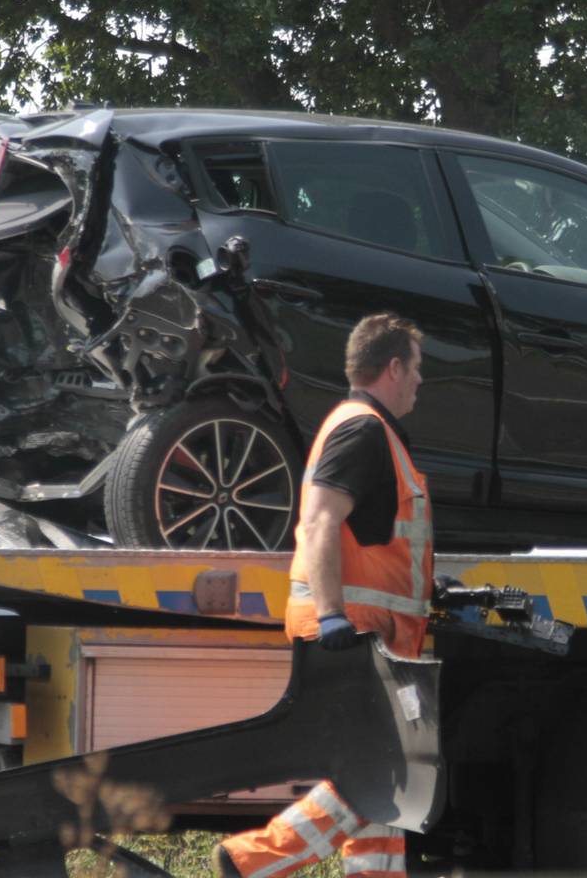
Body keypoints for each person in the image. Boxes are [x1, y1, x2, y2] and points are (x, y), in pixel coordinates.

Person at [217, 312, 432, 878]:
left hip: (364, 629)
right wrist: (333, 615)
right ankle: (249, 861)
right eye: (416, 367)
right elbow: (318, 522)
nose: (420, 379)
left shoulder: (371, 430)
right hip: (351, 631)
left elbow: (374, 537)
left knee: (388, 773)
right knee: (380, 769)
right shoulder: (362, 429)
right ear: (392, 367)